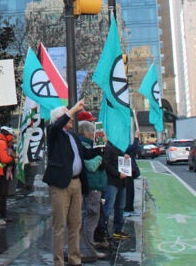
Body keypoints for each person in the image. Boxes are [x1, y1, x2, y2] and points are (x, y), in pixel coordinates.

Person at [42, 99, 102, 266]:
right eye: (68, 116)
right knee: (60, 225)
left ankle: (75, 260)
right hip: (60, 185)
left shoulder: (73, 136)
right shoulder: (53, 133)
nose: (72, 119)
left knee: (75, 224)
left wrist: (100, 146)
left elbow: (86, 154)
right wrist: (74, 108)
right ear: (60, 119)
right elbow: (57, 125)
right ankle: (59, 261)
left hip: (76, 183)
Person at [77, 114, 107, 259]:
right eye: (92, 131)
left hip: (94, 183)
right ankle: (87, 247)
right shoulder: (85, 144)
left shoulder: (89, 144)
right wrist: (100, 154)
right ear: (86, 132)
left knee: (88, 214)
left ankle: (86, 246)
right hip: (92, 184)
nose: (94, 133)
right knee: (91, 214)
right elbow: (91, 165)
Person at [102, 139, 131, 241]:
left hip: (121, 181)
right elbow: (106, 164)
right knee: (109, 207)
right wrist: (118, 174)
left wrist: (125, 157)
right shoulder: (108, 146)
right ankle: (103, 231)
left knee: (120, 206)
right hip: (112, 181)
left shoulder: (119, 145)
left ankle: (117, 230)